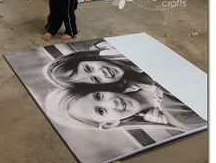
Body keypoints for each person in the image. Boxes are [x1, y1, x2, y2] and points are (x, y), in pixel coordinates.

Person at [45, 86, 206, 133]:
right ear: (109, 124)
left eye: (99, 96)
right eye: (101, 111)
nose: (112, 103)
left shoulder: (140, 74)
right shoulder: (182, 119)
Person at [43, 47, 154, 93]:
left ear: (88, 58)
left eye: (88, 68)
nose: (101, 73)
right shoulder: (136, 86)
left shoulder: (117, 51)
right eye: (96, 79)